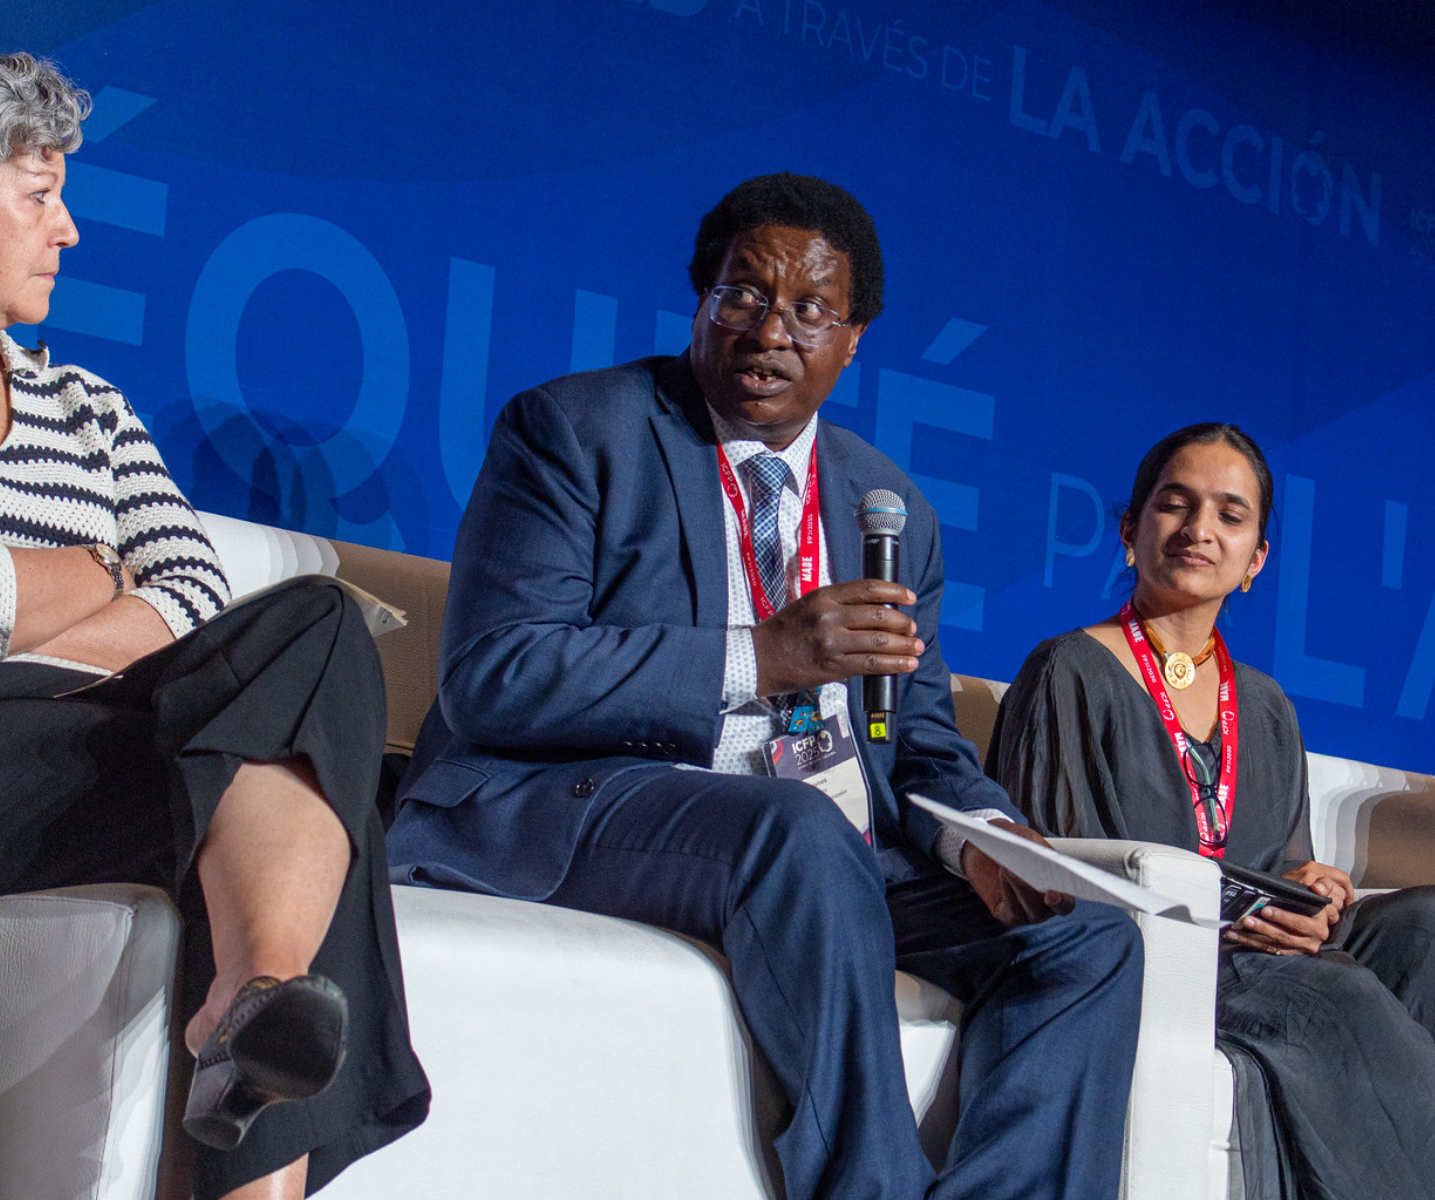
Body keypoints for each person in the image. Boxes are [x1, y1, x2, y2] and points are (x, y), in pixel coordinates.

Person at [389, 172, 1143, 1200]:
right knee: (798, 830)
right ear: (701, 297)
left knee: (1088, 943)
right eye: (742, 294)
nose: (770, 331)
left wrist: (981, 839)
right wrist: (763, 657)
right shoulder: (576, 430)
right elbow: (497, 675)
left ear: (854, 339)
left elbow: (919, 739)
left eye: (810, 310)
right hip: (593, 804)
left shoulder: (892, 508)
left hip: (825, 851)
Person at [0, 43, 428, 1199]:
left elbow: (196, 595)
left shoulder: (87, 407)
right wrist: (95, 582)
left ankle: (255, 1002)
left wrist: (44, 618)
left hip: (76, 751)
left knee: (313, 633)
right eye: (39, 196)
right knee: (264, 764)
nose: (69, 231)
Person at [985, 422, 1435, 1200]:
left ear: (1256, 560)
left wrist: (1312, 890)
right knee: (1334, 994)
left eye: (1230, 515)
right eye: (1175, 505)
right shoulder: (1069, 670)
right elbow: (1059, 881)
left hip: (1258, 948)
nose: (1199, 529)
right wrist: (1229, 912)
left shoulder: (1265, 704)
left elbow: (1278, 862)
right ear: (1131, 530)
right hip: (1163, 954)